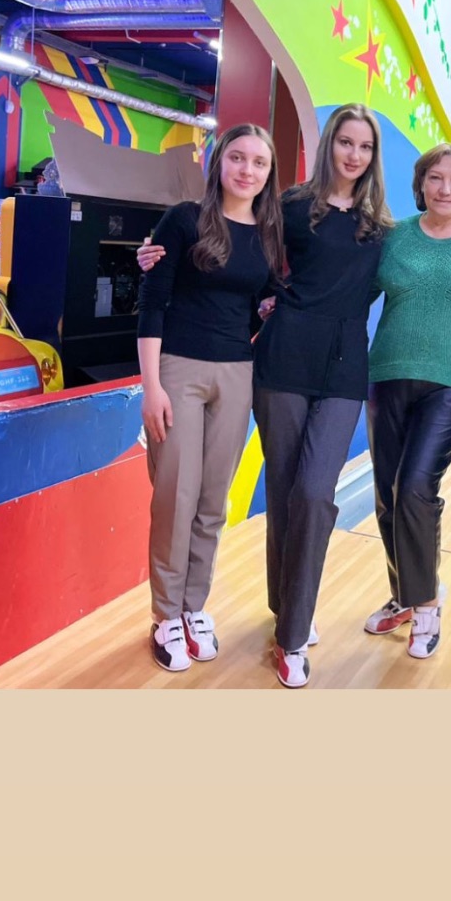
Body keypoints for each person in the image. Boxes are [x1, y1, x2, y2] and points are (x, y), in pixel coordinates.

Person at [138, 106, 391, 688]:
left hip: (282, 368)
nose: (353, 154)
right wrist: (151, 257)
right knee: (197, 494)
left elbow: (266, 291)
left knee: (260, 497)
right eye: (237, 158)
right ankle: (175, 614)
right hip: (232, 365)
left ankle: (241, 615)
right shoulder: (251, 214)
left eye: (365, 146)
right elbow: (178, 289)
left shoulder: (341, 228)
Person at [137, 124, 283, 674]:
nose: (247, 170)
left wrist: (267, 310)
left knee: (212, 500)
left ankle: (193, 606)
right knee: (175, 495)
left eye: (259, 163)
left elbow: (260, 301)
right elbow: (152, 302)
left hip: (237, 373)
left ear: (269, 174)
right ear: (220, 161)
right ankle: (165, 614)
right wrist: (151, 385)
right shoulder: (184, 220)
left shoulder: (268, 234)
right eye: (238, 158)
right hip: (178, 368)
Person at [362, 142, 451, 660]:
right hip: (387, 375)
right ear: (421, 183)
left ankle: (426, 604)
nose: (446, 188)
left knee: (416, 487)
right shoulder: (393, 238)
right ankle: (405, 594)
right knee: (387, 495)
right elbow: (350, 293)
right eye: (436, 178)